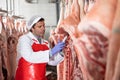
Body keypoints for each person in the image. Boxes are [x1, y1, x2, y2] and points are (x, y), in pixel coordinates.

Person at [15, 15, 65, 80]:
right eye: (40, 26)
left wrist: (60, 53)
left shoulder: (45, 43)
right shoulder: (24, 39)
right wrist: (51, 52)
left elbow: (51, 61)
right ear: (32, 28)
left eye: (44, 26)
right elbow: (30, 57)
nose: (43, 28)